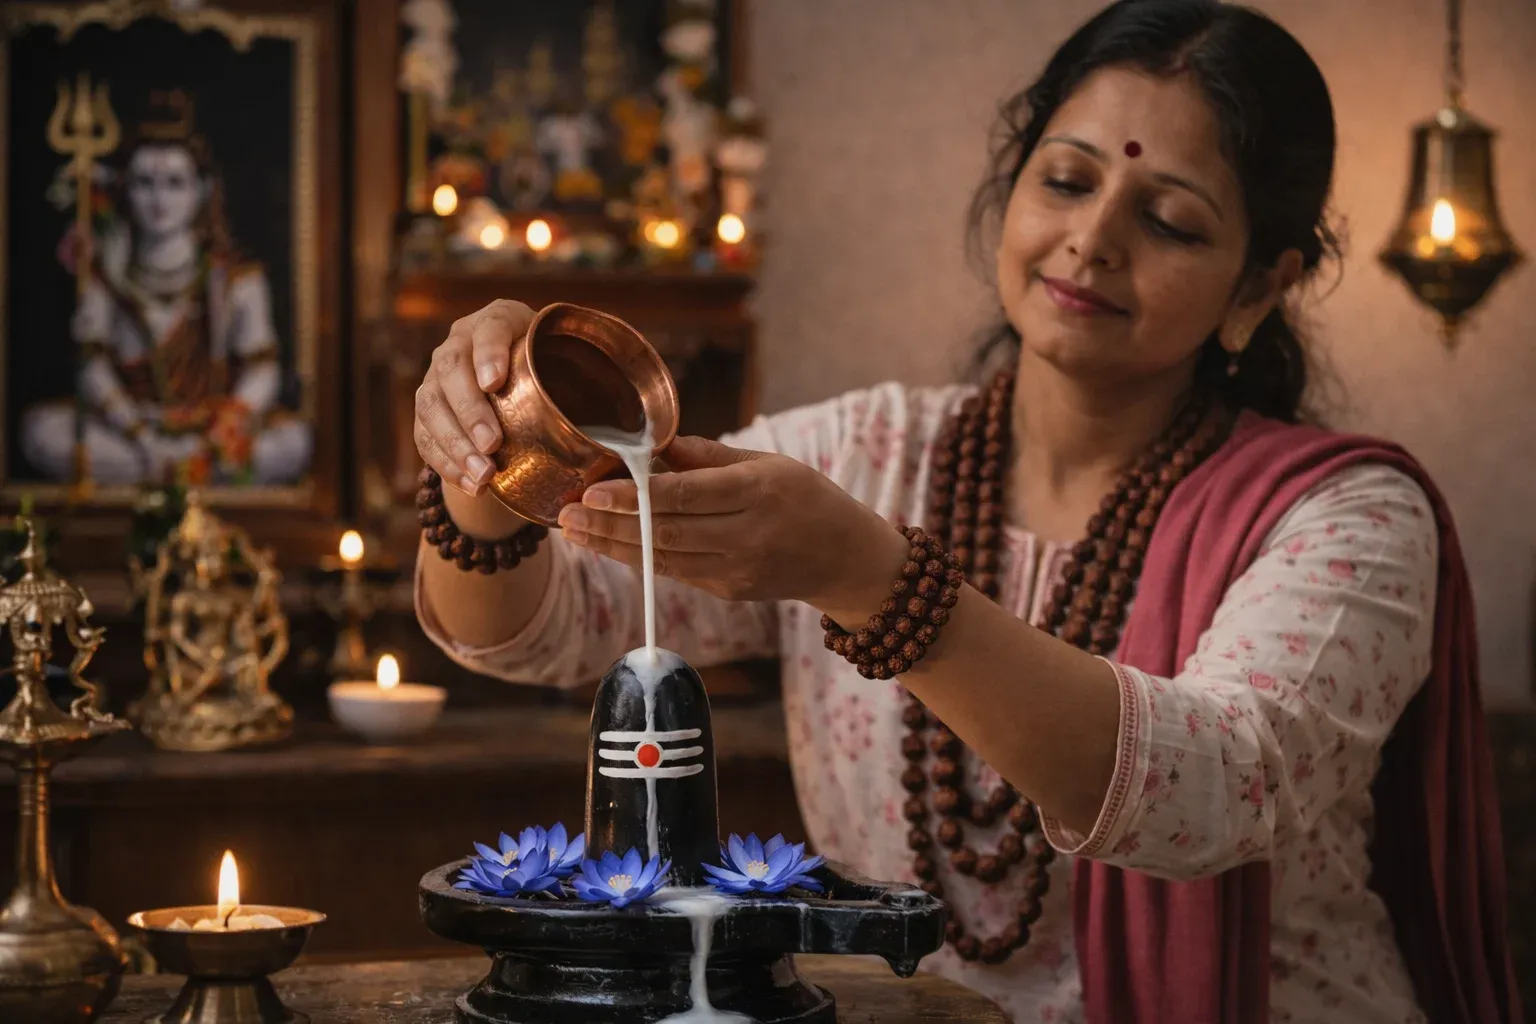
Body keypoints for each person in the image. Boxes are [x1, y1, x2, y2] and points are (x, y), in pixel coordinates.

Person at [411, 3, 1521, 1022]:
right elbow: (533, 628)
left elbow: (1210, 793)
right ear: (1013, 184)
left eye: (1172, 221)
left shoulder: (1349, 519)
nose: (1093, 239)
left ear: (1258, 288)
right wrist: (492, 443)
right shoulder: (861, 456)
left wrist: (874, 581)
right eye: (1068, 181)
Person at [22, 91, 313, 488]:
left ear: (202, 189)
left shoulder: (236, 279)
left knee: (293, 441)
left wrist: (217, 436)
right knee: (41, 432)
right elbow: (93, 367)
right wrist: (142, 438)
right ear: (126, 188)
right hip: (131, 432)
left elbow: (262, 370)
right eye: (145, 183)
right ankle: (174, 474)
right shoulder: (107, 273)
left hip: (209, 433)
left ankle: (183, 471)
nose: (159, 200)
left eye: (175, 183)